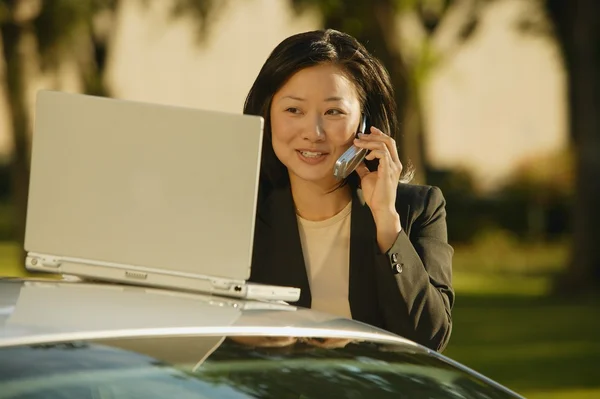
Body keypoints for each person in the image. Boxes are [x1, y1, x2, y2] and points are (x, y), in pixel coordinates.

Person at [243, 29, 454, 352]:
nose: (313, 133)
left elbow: (428, 339)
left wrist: (386, 219)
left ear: (365, 124)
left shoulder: (418, 209)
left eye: (333, 112)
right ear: (267, 114)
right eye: (293, 110)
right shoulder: (241, 212)